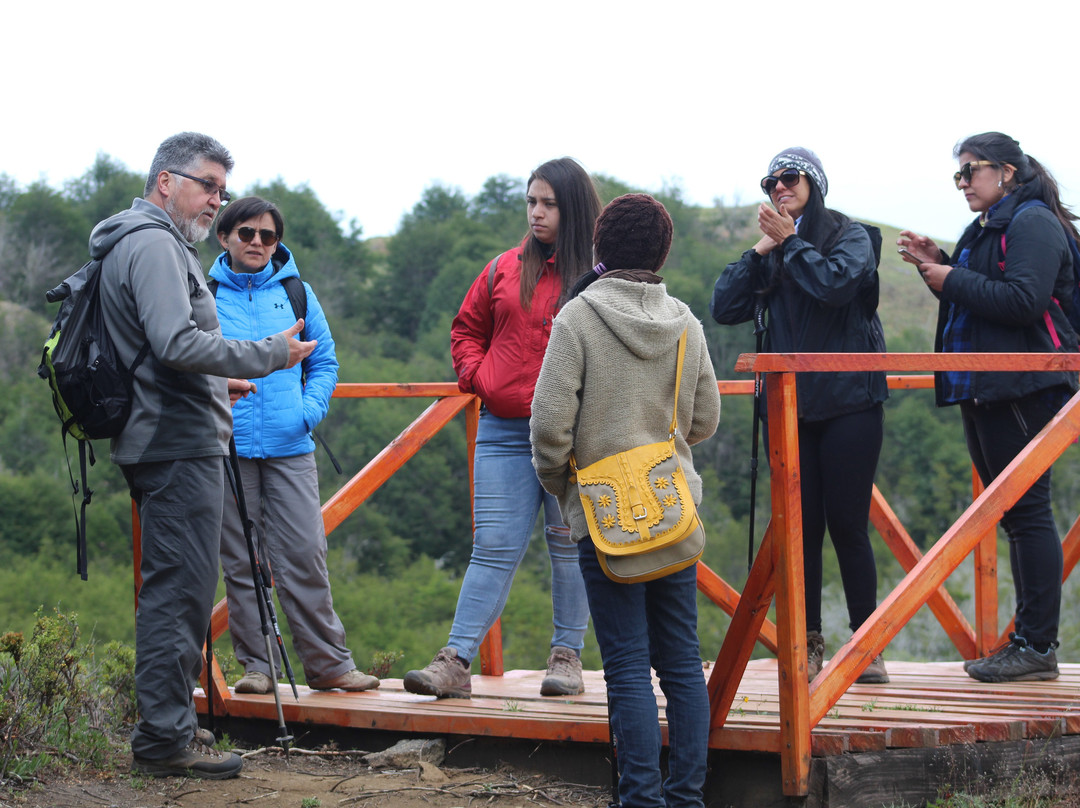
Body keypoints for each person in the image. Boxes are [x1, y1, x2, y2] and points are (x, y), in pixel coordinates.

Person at [93, 132, 315, 779]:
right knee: (180, 594)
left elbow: (156, 351)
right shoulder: (156, 244)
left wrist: (223, 381)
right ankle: (164, 742)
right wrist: (267, 355)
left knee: (181, 588)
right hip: (176, 445)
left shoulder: (138, 241)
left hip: (168, 436)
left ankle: (170, 732)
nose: (218, 200)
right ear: (166, 181)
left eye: (222, 188)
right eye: (208, 185)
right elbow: (174, 342)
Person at [531, 194, 720, 807]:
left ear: (599, 251)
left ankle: (641, 799)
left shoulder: (577, 317)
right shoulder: (685, 322)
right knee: (683, 664)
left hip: (603, 512)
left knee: (627, 666)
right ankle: (687, 797)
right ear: (663, 251)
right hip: (671, 507)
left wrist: (566, 486)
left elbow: (549, 426)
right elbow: (704, 418)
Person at [403, 157, 600, 699]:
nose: (536, 213)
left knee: (569, 546)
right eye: (531, 202)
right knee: (492, 545)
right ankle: (455, 660)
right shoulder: (503, 268)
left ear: (573, 208)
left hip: (575, 437)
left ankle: (566, 659)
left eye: (549, 204)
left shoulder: (600, 276)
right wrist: (477, 377)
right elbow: (466, 327)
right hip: (503, 431)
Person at [898, 132, 1079, 683]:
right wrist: (944, 267)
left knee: (1026, 513)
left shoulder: (1031, 223)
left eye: (969, 171)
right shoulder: (993, 226)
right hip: (991, 385)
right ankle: (1029, 644)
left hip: (1024, 386)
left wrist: (952, 278)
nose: (962, 184)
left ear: (1004, 171)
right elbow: (988, 300)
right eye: (958, 174)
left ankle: (1035, 646)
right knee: (1016, 514)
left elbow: (1024, 301)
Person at [711, 147, 890, 684]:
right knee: (800, 531)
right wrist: (759, 247)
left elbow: (835, 286)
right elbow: (723, 306)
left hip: (851, 403)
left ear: (814, 182)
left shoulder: (851, 236)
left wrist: (790, 243)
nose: (779, 188)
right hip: (790, 409)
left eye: (789, 178)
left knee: (848, 528)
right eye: (771, 183)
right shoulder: (774, 247)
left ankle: (867, 645)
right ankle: (807, 643)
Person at [210, 197, 378, 695]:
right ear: (224, 238)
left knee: (305, 554)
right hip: (229, 447)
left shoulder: (298, 292)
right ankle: (258, 668)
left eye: (267, 235)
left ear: (277, 242)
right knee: (241, 562)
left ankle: (329, 666)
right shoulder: (204, 294)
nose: (257, 242)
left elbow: (325, 363)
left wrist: (307, 412)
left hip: (290, 446)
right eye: (246, 233)